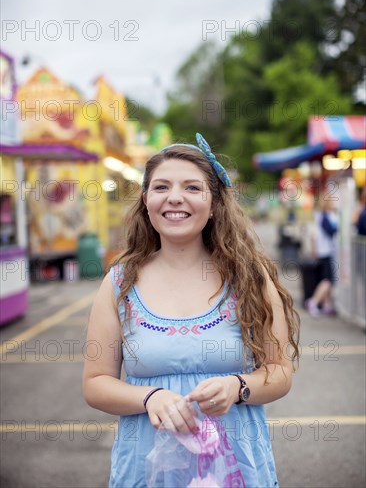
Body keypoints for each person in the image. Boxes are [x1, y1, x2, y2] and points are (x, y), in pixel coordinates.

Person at [83, 133, 300, 488]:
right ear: (146, 200)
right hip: (148, 470)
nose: (175, 198)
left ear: (214, 204)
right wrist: (150, 397)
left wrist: (238, 386)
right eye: (161, 187)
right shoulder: (119, 282)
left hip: (236, 468)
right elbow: (95, 384)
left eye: (192, 188)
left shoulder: (248, 276)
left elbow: (280, 372)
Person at [305, 192, 338, 317]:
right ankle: (314, 301)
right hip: (326, 252)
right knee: (328, 281)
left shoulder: (321, 216)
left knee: (326, 279)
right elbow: (331, 231)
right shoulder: (325, 217)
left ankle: (326, 304)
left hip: (323, 251)